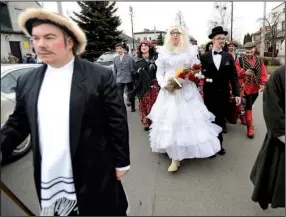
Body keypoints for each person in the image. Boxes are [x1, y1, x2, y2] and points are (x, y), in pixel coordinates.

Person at [1, 8, 130, 216]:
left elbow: (117, 121)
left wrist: (122, 161)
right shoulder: (27, 81)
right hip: (50, 175)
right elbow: (18, 123)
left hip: (95, 170)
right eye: (35, 38)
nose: (40, 44)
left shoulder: (99, 76)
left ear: (70, 41)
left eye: (49, 37)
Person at [147, 25, 222, 172]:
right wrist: (164, 85)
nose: (175, 36)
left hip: (186, 88)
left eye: (178, 33)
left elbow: (195, 69)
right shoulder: (163, 52)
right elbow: (159, 72)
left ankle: (184, 151)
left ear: (182, 36)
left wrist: (185, 79)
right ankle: (175, 157)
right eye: (172, 33)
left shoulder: (190, 51)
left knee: (188, 121)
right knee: (171, 121)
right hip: (169, 90)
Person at [200, 26, 241, 155]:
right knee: (210, 119)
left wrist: (236, 93)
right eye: (219, 38)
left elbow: (234, 76)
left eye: (223, 39)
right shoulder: (204, 57)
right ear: (213, 40)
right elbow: (199, 73)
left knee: (220, 120)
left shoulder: (228, 57)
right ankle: (210, 147)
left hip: (223, 93)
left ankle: (219, 145)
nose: (222, 41)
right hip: (209, 94)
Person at [250, 65, 285, 210]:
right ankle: (264, 197)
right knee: (271, 173)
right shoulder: (279, 75)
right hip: (281, 135)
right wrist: (282, 133)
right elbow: (271, 107)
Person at [235, 42, 268, 138]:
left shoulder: (259, 60)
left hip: (255, 87)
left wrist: (263, 83)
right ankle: (250, 128)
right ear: (244, 51)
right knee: (249, 106)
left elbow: (263, 72)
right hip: (245, 87)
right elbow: (236, 72)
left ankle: (243, 115)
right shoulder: (239, 60)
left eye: (251, 52)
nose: (249, 54)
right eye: (247, 52)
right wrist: (244, 72)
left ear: (254, 50)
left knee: (249, 104)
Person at [133, 40, 159, 131]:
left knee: (154, 104)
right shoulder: (136, 59)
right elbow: (132, 73)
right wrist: (137, 72)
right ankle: (147, 123)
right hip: (142, 85)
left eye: (146, 45)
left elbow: (160, 72)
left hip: (153, 84)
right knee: (144, 103)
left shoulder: (156, 59)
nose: (143, 47)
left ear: (150, 47)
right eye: (142, 46)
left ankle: (155, 122)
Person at [114, 42, 136, 112]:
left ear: (123, 49)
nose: (119, 50)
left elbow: (132, 69)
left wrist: (134, 79)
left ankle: (133, 107)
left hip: (128, 78)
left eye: (120, 48)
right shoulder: (115, 59)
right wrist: (115, 79)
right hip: (119, 79)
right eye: (117, 49)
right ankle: (122, 108)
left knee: (131, 93)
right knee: (120, 95)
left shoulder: (129, 58)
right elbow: (115, 70)